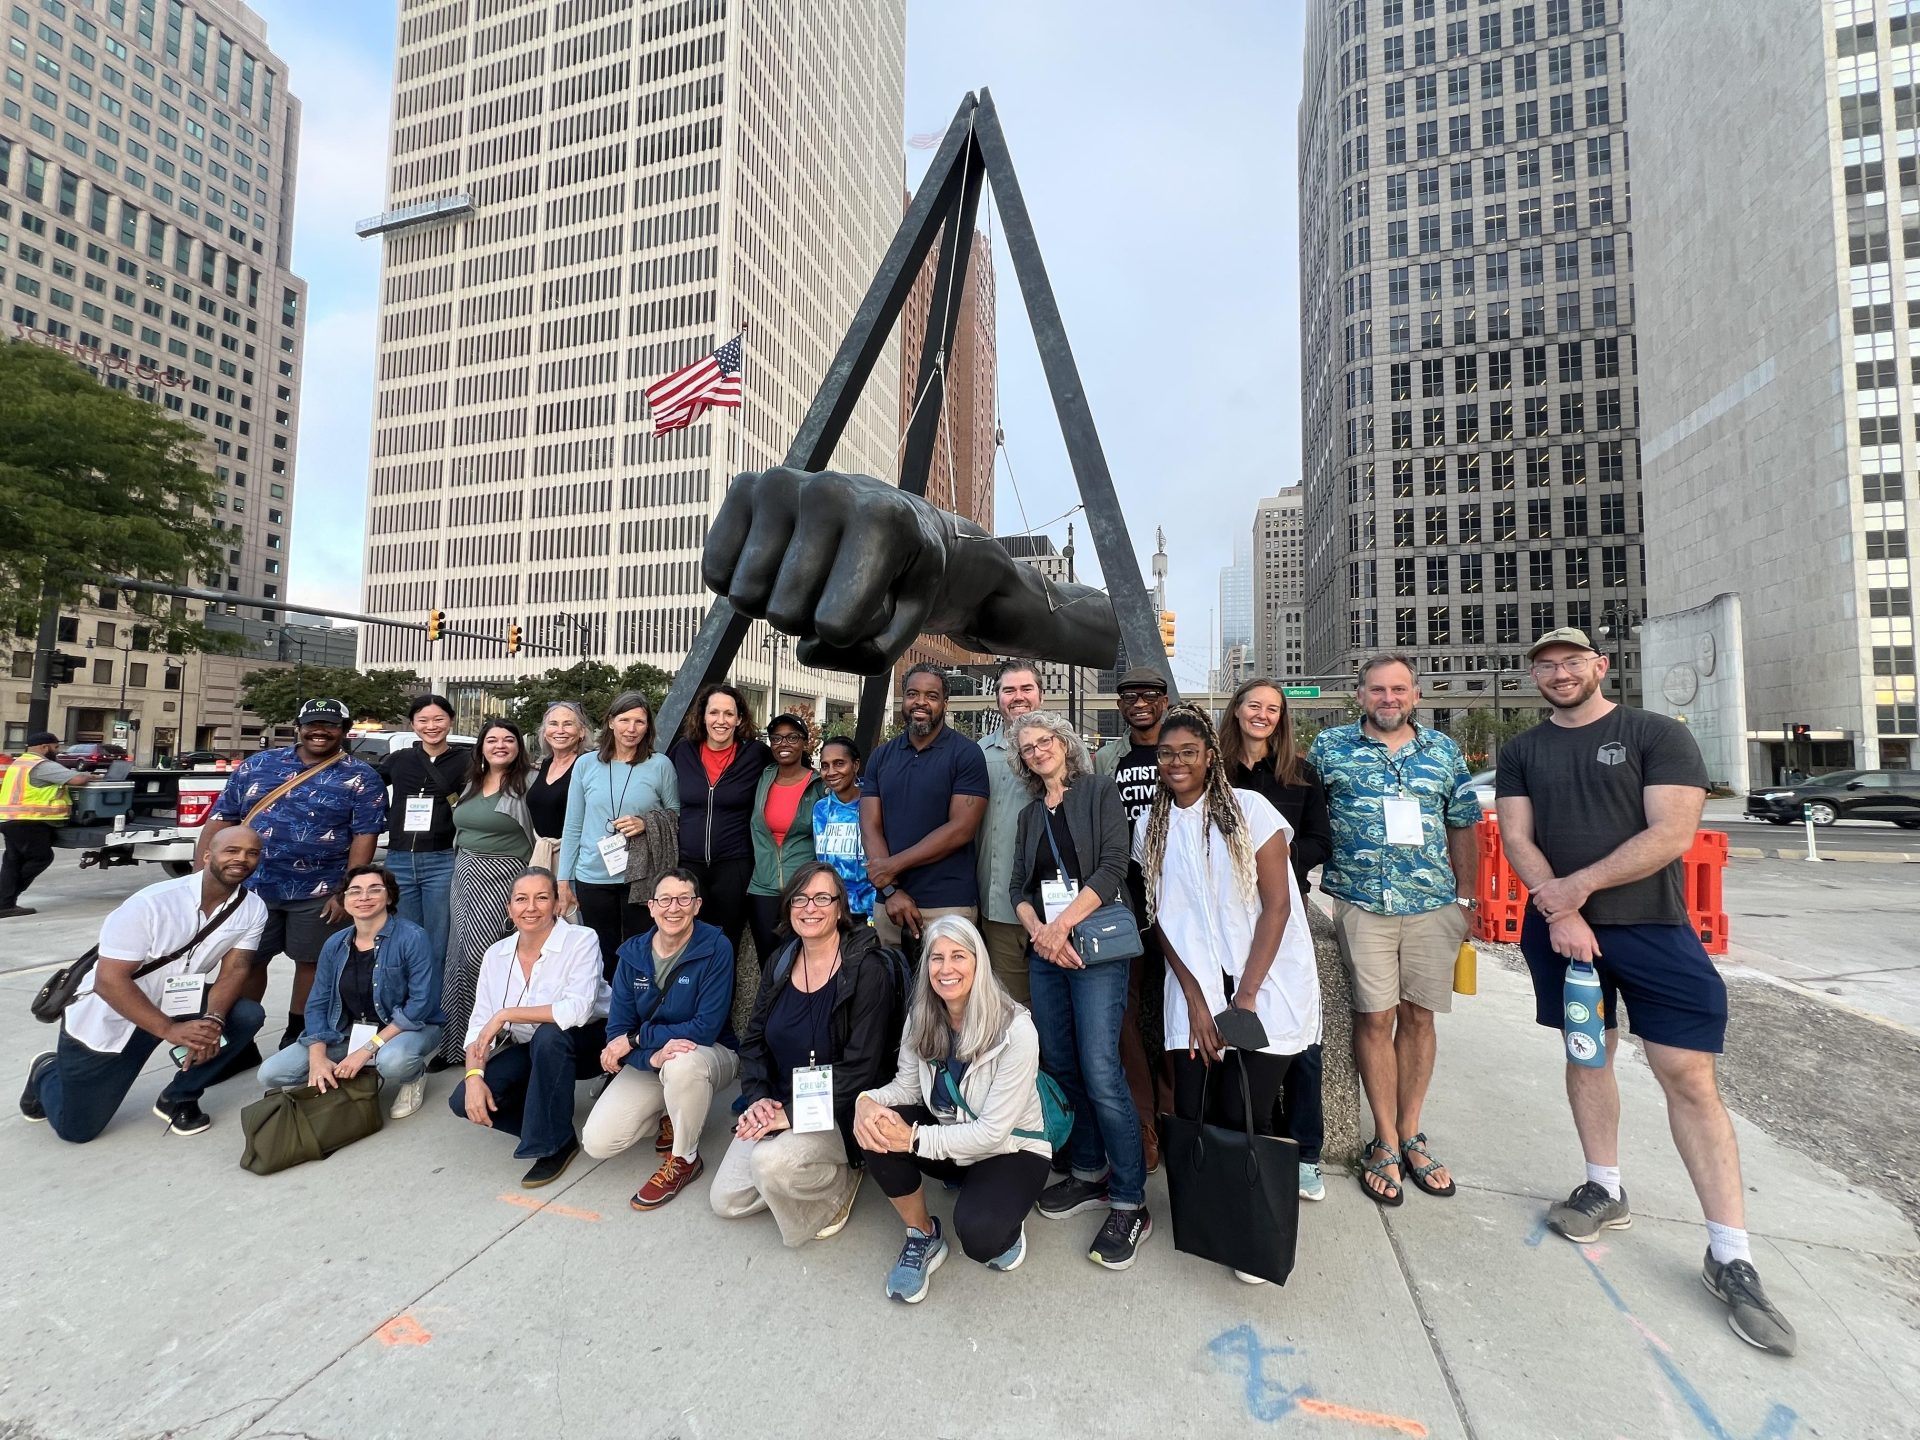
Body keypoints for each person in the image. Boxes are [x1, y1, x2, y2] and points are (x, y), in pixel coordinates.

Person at [1497, 627, 1797, 1356]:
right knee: (1586, 1054)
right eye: (1546, 665)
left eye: (1572, 662)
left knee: (1687, 1075)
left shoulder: (1656, 734)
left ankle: (1731, 1253)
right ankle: (1604, 1186)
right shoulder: (1523, 749)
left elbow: (1673, 833)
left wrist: (1579, 892)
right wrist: (1561, 911)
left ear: (1599, 666)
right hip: (1562, 935)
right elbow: (1516, 836)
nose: (1559, 673)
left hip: (1652, 929)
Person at [1137, 706, 1320, 1283]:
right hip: (1192, 990)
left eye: (1189, 751)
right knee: (1195, 1108)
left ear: (1210, 755)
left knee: (1247, 1109)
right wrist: (1193, 997)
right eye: (1167, 754)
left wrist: (1242, 1001)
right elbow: (1158, 917)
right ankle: (1212, 1215)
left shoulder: (1250, 810)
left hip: (1263, 986)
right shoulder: (1151, 824)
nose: (1176, 763)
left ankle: (1252, 1222)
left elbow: (1279, 905)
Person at [1307, 655, 1479, 1207]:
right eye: (1377, 689)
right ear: (1359, 695)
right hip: (1361, 904)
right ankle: (1381, 1139)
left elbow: (1462, 824)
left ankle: (1411, 1132)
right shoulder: (1330, 750)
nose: (1388, 698)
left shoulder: (1443, 752)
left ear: (1416, 695)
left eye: (1398, 689)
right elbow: (1304, 814)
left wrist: (1466, 899)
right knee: (1375, 1016)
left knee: (1419, 1016)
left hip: (1432, 905)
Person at [1005, 710, 1149, 1269]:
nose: (1038, 751)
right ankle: (1087, 1170)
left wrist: (1063, 926)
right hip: (1047, 951)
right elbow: (1018, 886)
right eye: (1029, 748)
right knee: (1061, 1062)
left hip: (1095, 946)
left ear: (1066, 745)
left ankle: (1131, 1197)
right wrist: (1040, 932)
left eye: (1046, 741)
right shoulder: (1025, 816)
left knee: (1100, 1066)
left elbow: (1113, 866)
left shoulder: (1098, 792)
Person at [20, 827, 268, 1140]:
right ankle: (45, 1070)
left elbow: (235, 970)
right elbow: (108, 982)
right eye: (231, 850)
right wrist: (169, 1030)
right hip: (113, 1011)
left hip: (178, 1002)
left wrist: (212, 1021)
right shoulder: (151, 904)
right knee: (77, 1129)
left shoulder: (253, 908)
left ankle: (179, 1097)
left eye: (252, 853)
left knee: (246, 1015)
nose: (242, 859)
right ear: (207, 855)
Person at [854, 915, 1052, 1302]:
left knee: (982, 1238)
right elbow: (907, 1088)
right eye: (936, 958)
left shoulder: (1016, 1030)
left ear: (979, 962)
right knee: (875, 1126)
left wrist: (912, 1140)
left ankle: (1005, 1215)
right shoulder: (922, 1017)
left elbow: (992, 1132)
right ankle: (923, 1235)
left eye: (958, 956)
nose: (946, 969)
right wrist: (867, 1102)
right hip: (950, 1133)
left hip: (1010, 1147)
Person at [710, 862, 896, 1247]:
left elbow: (862, 1069)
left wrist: (789, 1116)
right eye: (800, 898)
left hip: (838, 1112)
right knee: (726, 1199)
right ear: (788, 907)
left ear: (841, 908)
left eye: (822, 898)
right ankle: (790, 1170)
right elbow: (754, 1040)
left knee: (769, 1165)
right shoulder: (781, 961)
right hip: (778, 1100)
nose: (810, 908)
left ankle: (841, 1183)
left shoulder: (867, 969)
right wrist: (760, 1099)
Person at [197, 698, 387, 1058]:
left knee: (311, 963)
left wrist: (346, 890)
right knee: (245, 961)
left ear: (345, 731)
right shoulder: (258, 765)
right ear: (298, 727)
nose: (320, 731)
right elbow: (222, 818)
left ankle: (296, 1033)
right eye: (312, 724)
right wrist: (200, 878)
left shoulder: (362, 777)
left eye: (330, 725)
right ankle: (241, 1042)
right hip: (252, 889)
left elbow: (365, 836)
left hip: (319, 889)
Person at [1219, 677, 1336, 1202]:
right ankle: (1248, 1135)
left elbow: (1320, 840)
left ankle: (1306, 1149)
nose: (1262, 715)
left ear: (1281, 718)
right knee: (1235, 1035)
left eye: (1273, 708)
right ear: (1237, 710)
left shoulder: (1300, 775)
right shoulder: (1214, 771)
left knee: (1300, 1038)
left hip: (1283, 917)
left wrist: (1277, 866)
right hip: (1223, 919)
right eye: (1254, 705)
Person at [582, 868, 739, 1210]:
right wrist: (647, 1056)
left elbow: (705, 1027)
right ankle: (669, 1110)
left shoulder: (716, 947)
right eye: (665, 899)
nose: (674, 908)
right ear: (651, 906)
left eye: (684, 899)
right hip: (653, 1059)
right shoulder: (632, 954)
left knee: (682, 1063)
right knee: (598, 1142)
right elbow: (616, 1033)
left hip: (711, 1053)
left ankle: (684, 1159)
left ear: (697, 906)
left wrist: (639, 1041)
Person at [447, 868, 609, 1187]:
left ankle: (550, 1145)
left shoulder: (581, 939)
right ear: (510, 908)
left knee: (550, 1035)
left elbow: (577, 1010)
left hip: (593, 1042)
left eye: (541, 898)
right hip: (535, 1046)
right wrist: (474, 1077)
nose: (530, 907)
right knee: (463, 1099)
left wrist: (506, 1013)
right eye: (521, 899)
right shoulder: (497, 955)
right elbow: (479, 1024)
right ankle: (556, 1130)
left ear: (556, 904)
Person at [257, 864, 445, 1120]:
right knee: (271, 1072)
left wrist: (366, 1050)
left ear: (389, 896)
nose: (364, 897)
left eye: (374, 890)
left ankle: (413, 1077)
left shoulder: (413, 937)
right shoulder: (335, 944)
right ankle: (342, 1071)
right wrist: (317, 1056)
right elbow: (318, 1003)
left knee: (393, 1062)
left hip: (408, 1028)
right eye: (354, 891)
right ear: (344, 899)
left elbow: (420, 1004)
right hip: (349, 1031)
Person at [1094, 665, 1177, 1170]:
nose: (1138, 702)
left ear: (1165, 701)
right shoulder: (1108, 757)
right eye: (1128, 696)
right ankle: (1144, 1121)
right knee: (1124, 1012)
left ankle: (1174, 1112)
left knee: (1180, 1008)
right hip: (1125, 897)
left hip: (1179, 898)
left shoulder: (1184, 747)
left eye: (1148, 694)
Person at [859, 664, 989, 951]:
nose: (921, 702)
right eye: (912, 694)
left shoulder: (966, 754)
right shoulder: (881, 756)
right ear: (903, 700)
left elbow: (961, 830)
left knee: (949, 994)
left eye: (931, 696)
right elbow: (870, 826)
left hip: (948, 905)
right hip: (890, 906)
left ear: (945, 703)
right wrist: (891, 890)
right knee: (890, 992)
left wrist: (891, 867)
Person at [559, 691, 679, 977]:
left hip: (642, 876)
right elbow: (573, 824)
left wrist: (645, 823)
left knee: (642, 952)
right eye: (624, 720)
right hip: (593, 875)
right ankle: (606, 1016)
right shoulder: (586, 764)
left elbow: (677, 815)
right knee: (601, 953)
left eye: (639, 721)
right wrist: (564, 880)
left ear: (648, 726)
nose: (631, 728)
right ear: (611, 722)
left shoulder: (660, 764)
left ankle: (637, 1015)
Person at [441, 719, 537, 1065]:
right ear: (480, 746)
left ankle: (494, 1040)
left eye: (508, 740)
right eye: (492, 740)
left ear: (518, 746)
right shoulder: (471, 781)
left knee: (486, 958)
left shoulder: (529, 782)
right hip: (465, 872)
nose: (500, 745)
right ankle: (454, 1044)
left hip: (506, 876)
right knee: (456, 958)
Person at [667, 683, 772, 961]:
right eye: (714, 713)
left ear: (739, 719)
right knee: (687, 941)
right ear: (703, 716)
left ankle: (720, 1005)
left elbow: (790, 777)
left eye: (729, 714)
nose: (721, 721)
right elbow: (660, 795)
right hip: (689, 864)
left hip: (734, 865)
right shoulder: (683, 752)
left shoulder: (756, 755)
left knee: (727, 944)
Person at [376, 694, 471, 976]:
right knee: (405, 935)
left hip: (442, 860)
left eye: (439, 719)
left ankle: (435, 1007)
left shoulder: (467, 760)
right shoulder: (399, 759)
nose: (432, 726)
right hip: (399, 859)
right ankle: (409, 1001)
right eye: (423, 720)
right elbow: (367, 788)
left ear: (450, 721)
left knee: (438, 938)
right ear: (413, 724)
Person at [977, 661, 1045, 1003]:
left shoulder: (1067, 751)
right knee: (1011, 1008)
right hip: (1000, 909)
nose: (1018, 697)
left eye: (1026, 689)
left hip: (1056, 909)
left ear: (1041, 695)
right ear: (998, 699)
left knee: (1056, 1013)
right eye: (1009, 690)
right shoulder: (978, 754)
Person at [746, 713, 826, 965]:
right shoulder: (762, 779)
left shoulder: (819, 785)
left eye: (793, 737)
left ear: (805, 743)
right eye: (777, 738)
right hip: (762, 887)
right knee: (768, 963)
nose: (784, 744)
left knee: (802, 962)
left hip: (803, 888)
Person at [1, 729, 97, 918]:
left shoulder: (20, 762)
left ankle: (5, 903)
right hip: (30, 820)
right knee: (41, 858)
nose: (57, 751)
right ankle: (6, 896)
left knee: (13, 861)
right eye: (55, 747)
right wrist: (89, 776)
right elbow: (77, 779)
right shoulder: (41, 764)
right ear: (44, 747)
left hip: (11, 819)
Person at [812, 736, 874, 923]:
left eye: (839, 763)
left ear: (855, 765)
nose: (831, 772)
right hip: (831, 909)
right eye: (825, 765)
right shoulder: (820, 808)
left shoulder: (874, 804)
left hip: (869, 911)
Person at [527, 701, 592, 876]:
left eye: (568, 724)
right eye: (553, 724)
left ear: (581, 731)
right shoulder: (545, 764)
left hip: (577, 861)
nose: (560, 730)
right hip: (542, 854)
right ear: (544, 731)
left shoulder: (588, 765)